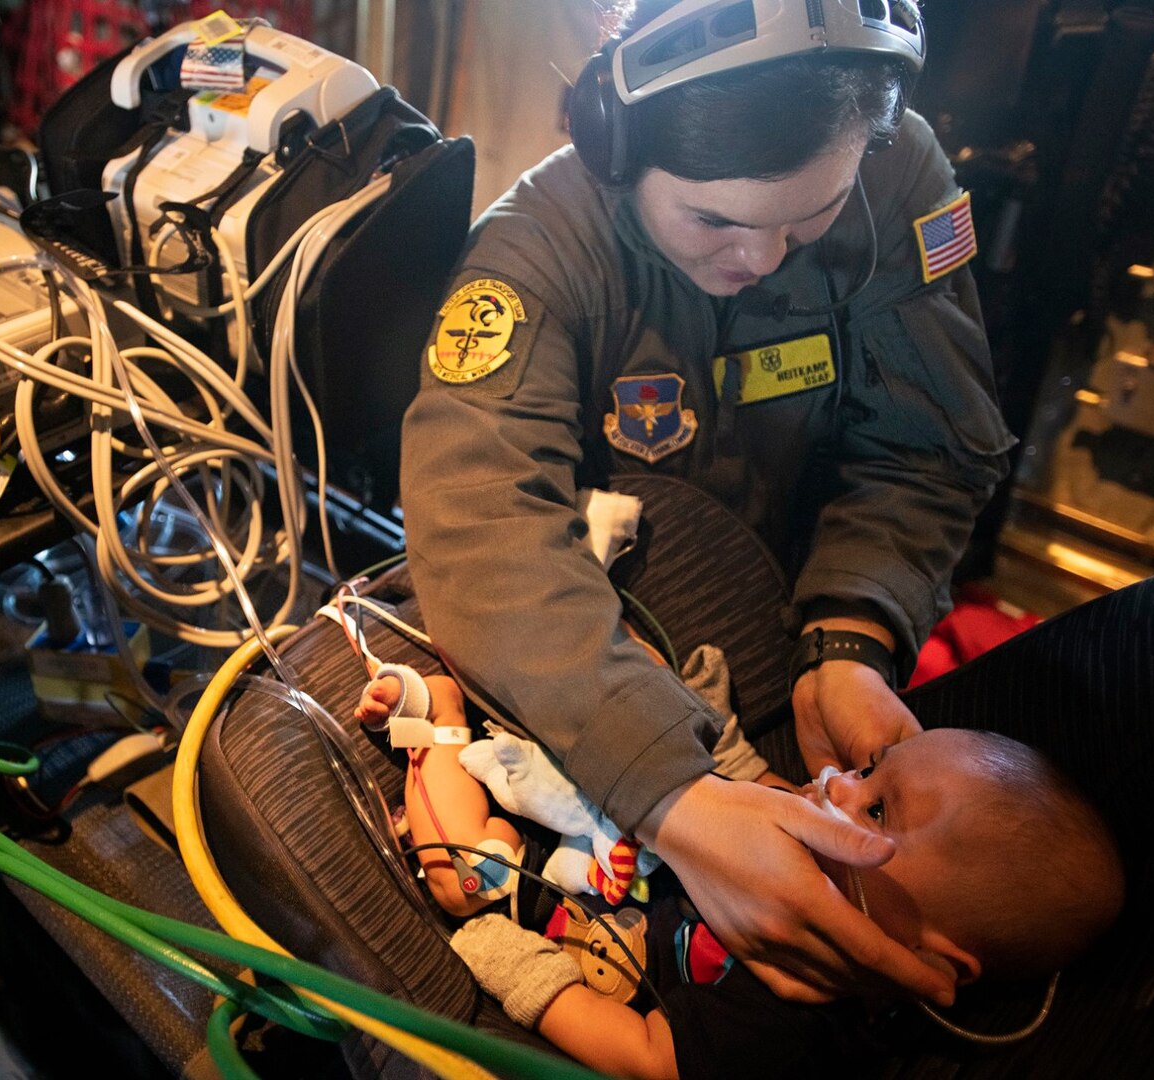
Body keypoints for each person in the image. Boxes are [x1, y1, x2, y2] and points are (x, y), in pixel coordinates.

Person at [399, 0, 1013, 1005]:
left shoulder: (899, 182)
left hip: (790, 620)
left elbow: (933, 445)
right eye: (715, 220)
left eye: (807, 221)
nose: (761, 259)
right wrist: (673, 796)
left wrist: (852, 633)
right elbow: (482, 538)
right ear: (615, 150)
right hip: (599, 658)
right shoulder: (534, 257)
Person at [358, 670, 1123, 1078]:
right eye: (865, 767)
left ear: (929, 954)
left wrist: (526, 976)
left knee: (466, 874)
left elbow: (651, 1058)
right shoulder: (820, 840)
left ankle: (437, 719)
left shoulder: (796, 1020)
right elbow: (751, 790)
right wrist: (703, 725)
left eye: (880, 812)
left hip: (600, 937)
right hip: (637, 834)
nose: (836, 787)